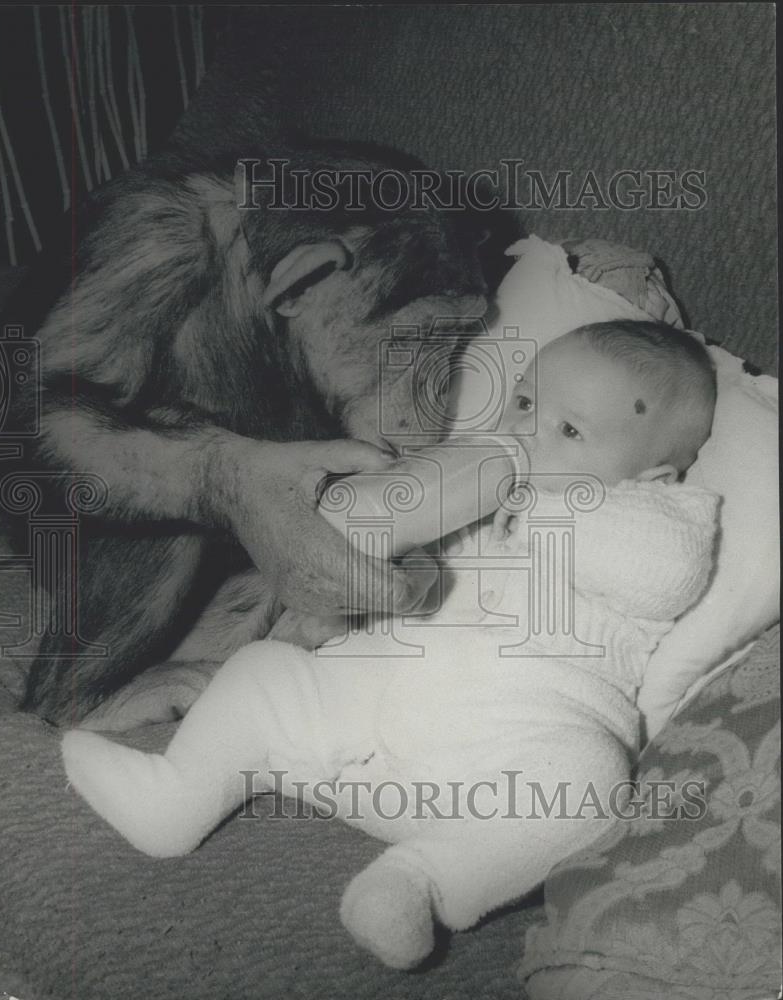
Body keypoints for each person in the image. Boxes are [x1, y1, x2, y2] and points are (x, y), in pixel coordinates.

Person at [62, 319, 720, 969]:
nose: (523, 434)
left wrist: (542, 502)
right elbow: (382, 542)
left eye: (568, 431)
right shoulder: (467, 480)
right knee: (267, 670)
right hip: (361, 736)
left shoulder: (660, 519)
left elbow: (660, 578)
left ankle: (419, 882)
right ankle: (176, 799)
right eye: (524, 402)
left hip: (498, 768)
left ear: (653, 476)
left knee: (589, 787)